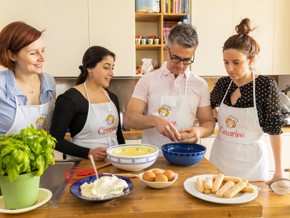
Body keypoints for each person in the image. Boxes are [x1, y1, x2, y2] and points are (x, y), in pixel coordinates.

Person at [209, 18, 285, 182]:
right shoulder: (223, 84)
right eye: (226, 62)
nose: (229, 68)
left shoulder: (265, 85)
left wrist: (279, 170)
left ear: (251, 60)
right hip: (220, 159)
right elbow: (209, 104)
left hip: (252, 165)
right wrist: (214, 111)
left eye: (236, 62)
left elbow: (274, 129)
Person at [124, 23, 215, 149]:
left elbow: (208, 123)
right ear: (166, 50)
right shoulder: (147, 80)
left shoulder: (200, 85)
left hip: (186, 155)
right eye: (176, 58)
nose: (181, 65)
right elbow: (129, 119)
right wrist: (155, 121)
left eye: (187, 60)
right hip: (152, 157)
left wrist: (199, 132)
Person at [50, 46, 125, 161]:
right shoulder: (70, 99)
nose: (111, 73)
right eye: (106, 67)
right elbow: (55, 139)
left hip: (113, 164)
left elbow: (118, 134)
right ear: (90, 68)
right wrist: (88, 153)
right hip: (82, 165)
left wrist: (126, 158)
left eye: (112, 67)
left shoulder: (112, 98)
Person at [0, 21, 55, 135]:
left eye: (43, 50)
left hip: (42, 152)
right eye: (33, 53)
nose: (43, 58)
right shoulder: (1, 85)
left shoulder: (49, 82)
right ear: (12, 56)